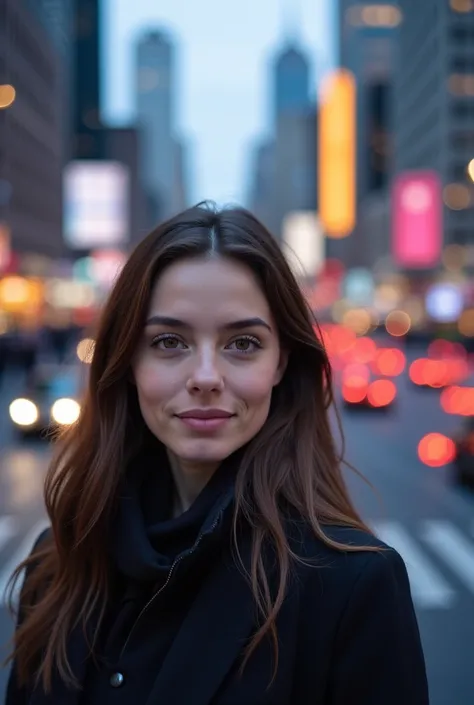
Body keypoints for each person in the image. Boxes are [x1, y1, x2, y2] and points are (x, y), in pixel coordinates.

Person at [4, 203, 429, 705]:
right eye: (169, 341)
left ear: (280, 363)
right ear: (127, 362)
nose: (205, 376)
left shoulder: (354, 586)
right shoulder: (58, 564)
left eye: (243, 343)